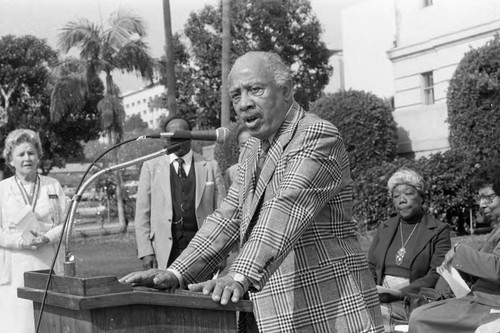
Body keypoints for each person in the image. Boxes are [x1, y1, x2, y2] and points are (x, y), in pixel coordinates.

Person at [121, 51, 383, 332]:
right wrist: (175, 271)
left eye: (255, 89)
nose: (244, 103)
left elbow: (284, 210)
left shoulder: (317, 135)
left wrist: (239, 274)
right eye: (236, 95)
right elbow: (227, 217)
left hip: (329, 314)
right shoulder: (252, 149)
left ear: (286, 90)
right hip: (272, 311)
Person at [408, 162, 500, 332]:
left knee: (420, 318)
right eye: (479, 198)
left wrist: (459, 251)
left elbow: (497, 268)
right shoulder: (497, 229)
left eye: (488, 197)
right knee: (420, 313)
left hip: (491, 304)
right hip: (478, 298)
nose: (481, 204)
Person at [134, 114, 227, 269]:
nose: (176, 140)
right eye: (171, 137)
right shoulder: (151, 167)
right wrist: (146, 252)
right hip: (164, 252)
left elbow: (223, 213)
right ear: (165, 139)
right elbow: (142, 213)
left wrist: (222, 251)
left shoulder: (210, 166)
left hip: (203, 252)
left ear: (191, 136)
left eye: (181, 136)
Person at [367, 168, 451, 332]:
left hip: (412, 300)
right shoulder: (385, 227)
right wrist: (372, 291)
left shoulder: (439, 230)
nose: (401, 200)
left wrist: (400, 294)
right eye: (396, 196)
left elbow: (436, 273)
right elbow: (370, 267)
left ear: (422, 197)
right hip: (379, 296)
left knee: (369, 319)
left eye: (408, 194)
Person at [0, 129, 67, 333]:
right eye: (20, 154)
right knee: (20, 325)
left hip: (49, 263)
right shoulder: (2, 190)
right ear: (11, 160)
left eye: (31, 153)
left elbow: (67, 223)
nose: (26, 158)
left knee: (50, 323)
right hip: (15, 268)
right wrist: (20, 242)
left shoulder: (53, 185)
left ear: (38, 156)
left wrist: (47, 237)